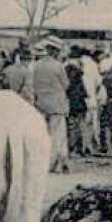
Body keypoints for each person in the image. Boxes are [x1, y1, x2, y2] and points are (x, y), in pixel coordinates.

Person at [30, 37, 71, 172]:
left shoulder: (36, 65)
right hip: (57, 105)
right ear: (55, 51)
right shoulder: (58, 66)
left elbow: (32, 85)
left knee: (43, 134)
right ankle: (55, 163)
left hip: (40, 103)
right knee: (57, 135)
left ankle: (42, 162)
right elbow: (66, 85)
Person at [79, 48, 103, 155]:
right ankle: (90, 147)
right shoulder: (93, 65)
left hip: (80, 99)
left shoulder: (78, 64)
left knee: (81, 123)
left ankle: (82, 147)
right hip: (91, 98)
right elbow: (99, 83)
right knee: (91, 124)